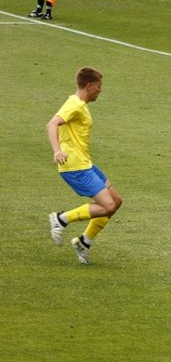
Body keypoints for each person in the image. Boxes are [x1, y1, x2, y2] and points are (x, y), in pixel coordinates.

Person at [46, 67, 123, 265]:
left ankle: (84, 242)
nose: (100, 90)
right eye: (99, 86)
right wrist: (57, 151)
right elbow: (52, 124)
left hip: (85, 163)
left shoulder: (80, 105)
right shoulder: (75, 105)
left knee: (116, 201)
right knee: (107, 206)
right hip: (74, 167)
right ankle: (61, 219)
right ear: (89, 86)